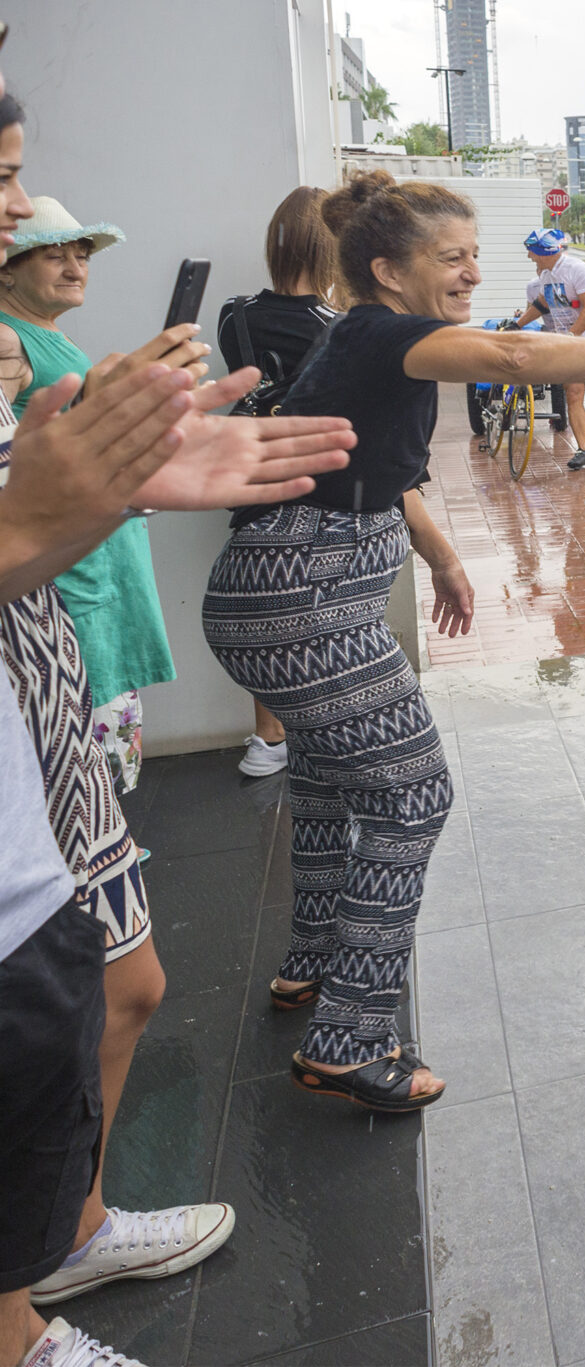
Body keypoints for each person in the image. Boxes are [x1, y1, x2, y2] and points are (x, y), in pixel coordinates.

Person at [201, 170, 585, 1114]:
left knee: (332, 780)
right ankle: (349, 1035)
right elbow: (518, 356)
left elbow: (374, 470)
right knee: (412, 792)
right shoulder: (380, 331)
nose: (470, 272)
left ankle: (315, 963)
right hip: (303, 600)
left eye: (472, 255)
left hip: (297, 593)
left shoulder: (363, 340)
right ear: (387, 269)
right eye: (450, 259)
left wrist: (442, 556)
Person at [0, 82, 357, 1367]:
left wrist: (118, 484)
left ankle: (65, 1235)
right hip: (47, 719)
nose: (22, 219)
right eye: (12, 202)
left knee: (122, 984)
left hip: (47, 710)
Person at [0, 199, 174, 796]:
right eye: (55, 255)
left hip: (92, 560)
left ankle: (102, 849)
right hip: (65, 575)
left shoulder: (42, 335)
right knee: (79, 742)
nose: (76, 267)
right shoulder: (7, 340)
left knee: (104, 735)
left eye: (82, 255)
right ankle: (91, 862)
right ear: (7, 268)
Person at [217, 185, 342, 779]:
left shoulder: (233, 313)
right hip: (317, 482)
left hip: (251, 473)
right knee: (314, 614)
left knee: (266, 609)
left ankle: (268, 737)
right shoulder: (338, 326)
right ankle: (319, 734)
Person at [512, 228, 585, 471]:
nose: (529, 258)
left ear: (544, 252)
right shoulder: (546, 274)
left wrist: (571, 335)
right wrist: (518, 324)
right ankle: (583, 449)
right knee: (574, 394)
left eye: (532, 253)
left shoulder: (578, 270)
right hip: (569, 344)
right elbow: (543, 303)